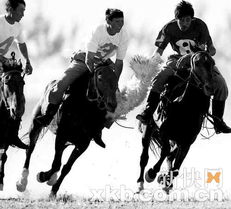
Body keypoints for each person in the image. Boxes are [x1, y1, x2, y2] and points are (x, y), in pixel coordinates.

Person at [36, 8, 129, 148]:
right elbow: (89, 58)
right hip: (84, 60)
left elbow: (119, 62)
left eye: (122, 21)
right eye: (117, 22)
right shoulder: (99, 30)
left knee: (116, 98)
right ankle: (48, 116)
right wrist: (93, 77)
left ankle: (98, 130)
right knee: (61, 84)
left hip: (104, 63)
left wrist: (114, 82)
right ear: (108, 21)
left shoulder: (123, 34)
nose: (120, 25)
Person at [136, 0, 231, 134]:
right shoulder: (169, 28)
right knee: (161, 76)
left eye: (188, 20)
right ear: (176, 19)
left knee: (221, 84)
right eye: (182, 20)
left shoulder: (200, 26)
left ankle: (218, 121)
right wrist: (151, 62)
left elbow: (207, 50)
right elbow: (159, 51)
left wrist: (194, 56)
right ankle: (148, 111)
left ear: (192, 19)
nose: (185, 24)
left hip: (199, 61)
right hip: (177, 59)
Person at [0, 0, 33, 149]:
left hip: (5, 65)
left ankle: (13, 135)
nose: (23, 14)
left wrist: (27, 61)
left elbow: (21, 44)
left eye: (24, 11)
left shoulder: (18, 26)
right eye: (21, 10)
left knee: (17, 87)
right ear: (11, 9)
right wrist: (3, 59)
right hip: (2, 62)